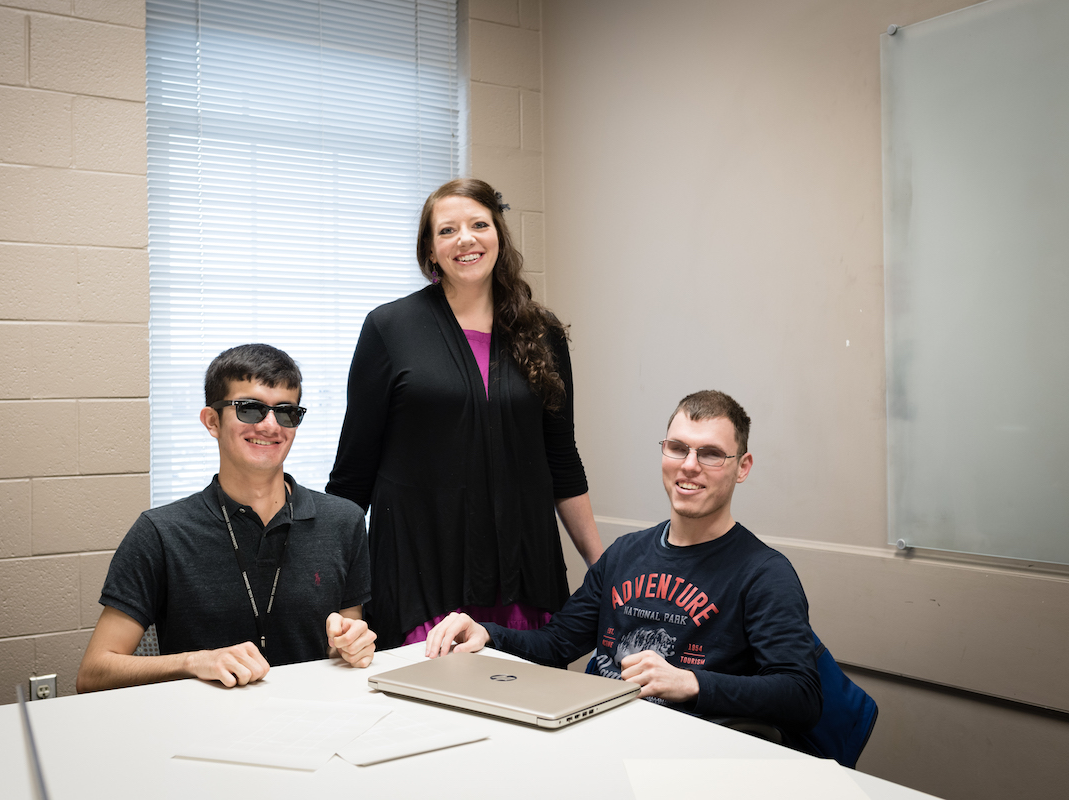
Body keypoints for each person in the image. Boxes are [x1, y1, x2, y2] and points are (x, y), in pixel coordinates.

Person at [425, 390, 823, 737]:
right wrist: (487, 633)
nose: (689, 465)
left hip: (686, 752)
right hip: (595, 733)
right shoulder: (625, 554)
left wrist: (690, 682)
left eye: (711, 454)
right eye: (678, 447)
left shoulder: (764, 574)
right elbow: (557, 643)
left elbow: (801, 696)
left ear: (743, 467)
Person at [326, 178, 604, 650]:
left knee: (524, 709)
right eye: (447, 230)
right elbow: (353, 474)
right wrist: (335, 596)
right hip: (422, 570)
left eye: (479, 224)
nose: (466, 239)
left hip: (522, 571)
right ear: (431, 251)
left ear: (498, 234)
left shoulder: (541, 332)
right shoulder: (390, 328)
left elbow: (561, 459)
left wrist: (604, 568)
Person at [77, 344, 376, 692]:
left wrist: (352, 645)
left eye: (286, 412)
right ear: (212, 421)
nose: (270, 425)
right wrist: (194, 661)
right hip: (202, 733)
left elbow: (343, 641)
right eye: (250, 409)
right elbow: (94, 673)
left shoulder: (344, 521)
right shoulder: (160, 532)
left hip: (313, 722)